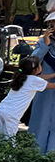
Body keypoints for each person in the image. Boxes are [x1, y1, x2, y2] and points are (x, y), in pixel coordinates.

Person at [0, 56, 55, 137]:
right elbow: (52, 86)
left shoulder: (22, 77)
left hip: (0, 110)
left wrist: (53, 75)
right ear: (35, 69)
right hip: (11, 115)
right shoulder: (34, 80)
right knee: (9, 140)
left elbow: (39, 78)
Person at [29, 22, 55, 153]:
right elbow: (32, 63)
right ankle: (36, 154)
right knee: (40, 123)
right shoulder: (42, 42)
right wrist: (45, 45)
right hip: (45, 91)